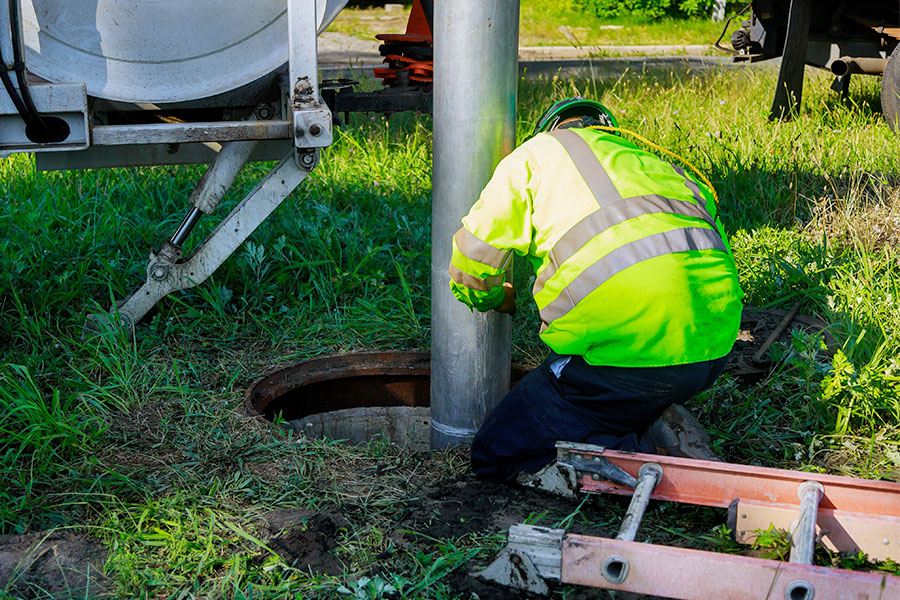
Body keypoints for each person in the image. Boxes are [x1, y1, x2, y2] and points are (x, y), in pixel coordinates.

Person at [448, 97, 743, 483]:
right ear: (606, 130)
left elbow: (473, 258)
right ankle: (652, 417)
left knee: (494, 452)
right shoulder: (657, 165)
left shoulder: (535, 155)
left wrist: (492, 298)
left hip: (624, 362)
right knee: (617, 392)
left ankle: (638, 451)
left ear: (551, 130)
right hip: (712, 352)